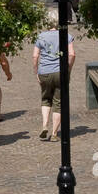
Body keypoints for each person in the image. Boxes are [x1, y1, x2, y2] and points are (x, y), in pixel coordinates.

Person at [33, 7, 75, 139]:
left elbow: (35, 56)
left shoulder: (41, 36)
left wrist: (36, 71)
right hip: (59, 71)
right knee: (59, 102)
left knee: (45, 99)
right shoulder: (66, 36)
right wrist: (68, 69)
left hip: (44, 71)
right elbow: (72, 54)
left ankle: (45, 124)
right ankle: (54, 133)